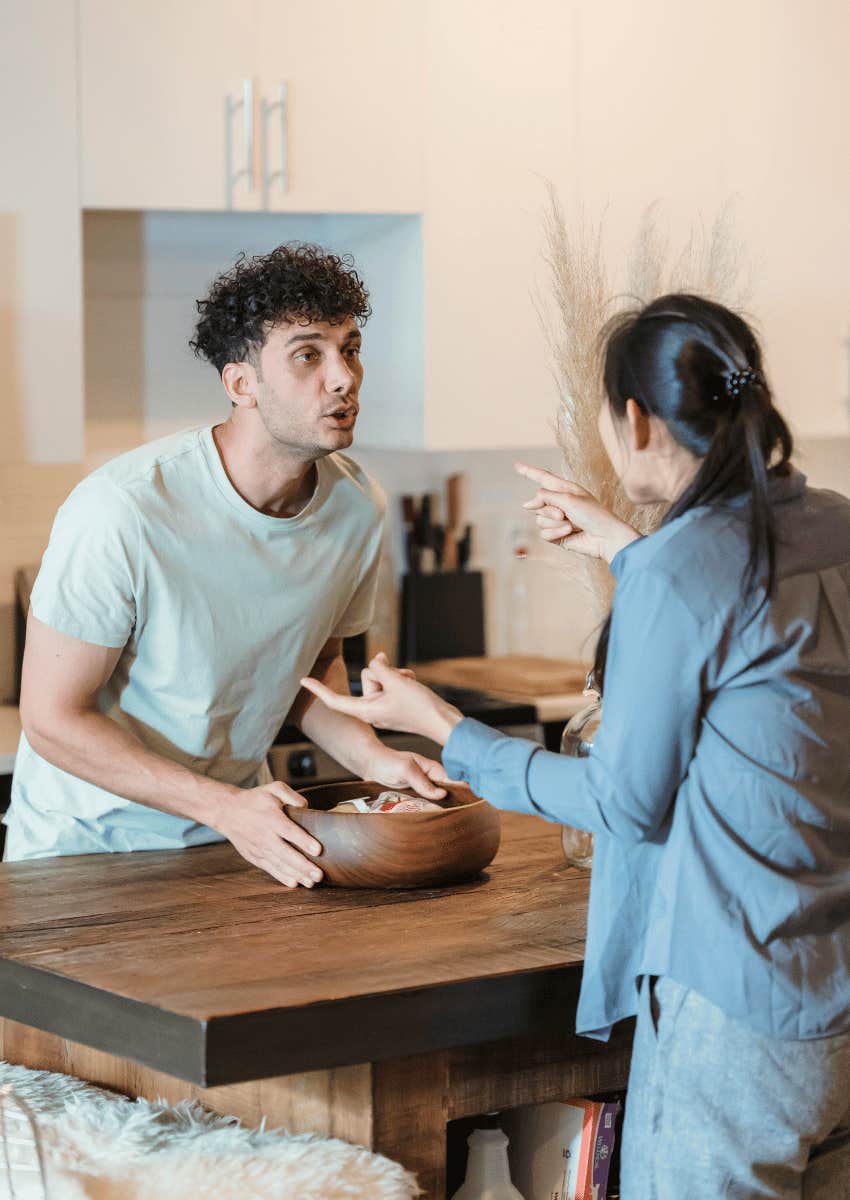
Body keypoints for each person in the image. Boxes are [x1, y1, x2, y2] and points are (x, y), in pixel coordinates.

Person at [300, 294, 850, 1197]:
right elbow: (750, 642)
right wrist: (625, 548)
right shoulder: (832, 522)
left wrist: (444, 726)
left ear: (634, 419)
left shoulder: (680, 572)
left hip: (738, 1009)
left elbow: (623, 802)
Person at [5, 242, 448, 886]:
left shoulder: (357, 507)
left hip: (238, 841)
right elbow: (52, 720)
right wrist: (223, 807)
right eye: (308, 354)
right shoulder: (124, 509)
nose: (343, 377)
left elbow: (309, 669)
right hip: (83, 852)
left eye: (350, 348)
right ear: (241, 383)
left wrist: (377, 759)